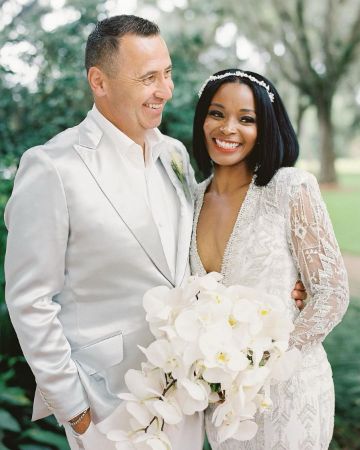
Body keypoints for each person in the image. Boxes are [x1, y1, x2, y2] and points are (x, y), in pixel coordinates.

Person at [4, 15, 306, 449]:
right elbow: (30, 300)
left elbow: (195, 258)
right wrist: (75, 409)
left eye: (167, 73)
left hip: (185, 394)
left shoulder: (176, 154)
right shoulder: (52, 167)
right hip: (105, 402)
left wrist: (280, 285)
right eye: (148, 77)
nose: (165, 90)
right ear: (99, 81)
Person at [190, 68, 349, 449]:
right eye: (217, 113)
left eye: (247, 119)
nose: (228, 128)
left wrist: (263, 367)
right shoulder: (189, 200)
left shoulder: (289, 188)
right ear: (202, 120)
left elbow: (331, 293)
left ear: (266, 128)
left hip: (289, 394)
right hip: (223, 405)